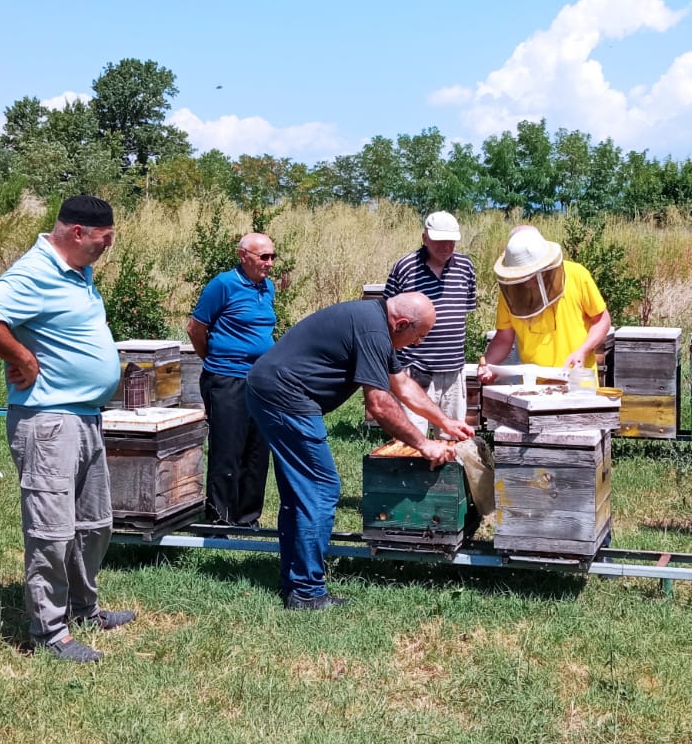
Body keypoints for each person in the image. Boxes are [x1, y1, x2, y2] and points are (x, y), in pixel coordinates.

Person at [0, 196, 133, 663]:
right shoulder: (34, 272)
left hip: (85, 416)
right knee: (51, 531)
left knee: (94, 525)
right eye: (104, 239)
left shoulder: (79, 271)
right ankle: (50, 631)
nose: (108, 246)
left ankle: (83, 608)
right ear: (77, 232)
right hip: (49, 422)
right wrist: (21, 356)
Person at [246, 293, 475, 611]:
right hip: (285, 397)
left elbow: (402, 384)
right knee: (321, 490)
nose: (417, 343)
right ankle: (307, 593)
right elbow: (379, 405)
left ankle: (295, 583)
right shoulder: (373, 331)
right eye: (419, 335)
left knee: (301, 495)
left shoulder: (376, 322)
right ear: (402, 324)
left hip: (271, 389)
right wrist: (424, 444)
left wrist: (444, 422)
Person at [187, 233, 277, 526]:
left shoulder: (267, 287)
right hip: (226, 378)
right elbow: (195, 328)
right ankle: (220, 519)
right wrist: (215, 361)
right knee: (227, 449)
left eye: (272, 256)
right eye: (263, 257)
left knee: (257, 449)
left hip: (260, 381)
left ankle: (248, 517)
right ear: (243, 255)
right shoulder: (223, 284)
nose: (269, 263)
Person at [384, 211, 478, 435]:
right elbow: (388, 316)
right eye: (439, 240)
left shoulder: (466, 267)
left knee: (453, 437)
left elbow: (463, 311)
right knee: (412, 437)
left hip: (453, 370)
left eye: (451, 240)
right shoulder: (405, 267)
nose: (446, 246)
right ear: (425, 238)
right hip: (415, 369)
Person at [478, 225, 611, 383]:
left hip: (578, 381)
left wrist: (583, 350)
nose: (529, 281)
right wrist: (488, 364)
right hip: (534, 385)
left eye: (532, 274)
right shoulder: (510, 292)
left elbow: (602, 320)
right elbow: (504, 338)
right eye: (523, 275)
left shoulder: (577, 275)